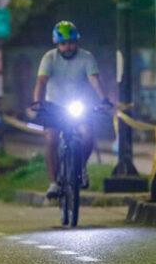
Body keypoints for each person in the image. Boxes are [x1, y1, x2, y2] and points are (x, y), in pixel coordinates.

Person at [32, 21, 110, 198]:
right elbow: (41, 81)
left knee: (88, 136)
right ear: (57, 44)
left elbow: (94, 80)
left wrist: (103, 99)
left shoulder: (87, 57)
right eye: (63, 43)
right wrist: (37, 101)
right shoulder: (49, 58)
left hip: (79, 104)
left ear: (77, 42)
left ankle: (80, 166)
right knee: (51, 139)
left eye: (72, 42)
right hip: (54, 107)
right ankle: (53, 183)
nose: (68, 47)